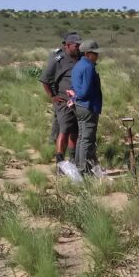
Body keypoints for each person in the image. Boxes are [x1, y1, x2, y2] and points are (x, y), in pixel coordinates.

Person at [39, 32, 82, 165]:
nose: (79, 47)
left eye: (80, 45)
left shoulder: (81, 58)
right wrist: (53, 96)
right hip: (63, 102)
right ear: (68, 46)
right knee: (64, 131)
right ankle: (60, 162)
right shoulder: (59, 60)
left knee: (75, 131)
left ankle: (73, 161)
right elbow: (45, 80)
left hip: (78, 102)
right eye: (76, 45)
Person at [70, 40, 103, 175]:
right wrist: (79, 96)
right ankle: (82, 170)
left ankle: (79, 167)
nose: (97, 56)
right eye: (95, 53)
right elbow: (85, 92)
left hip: (80, 106)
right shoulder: (88, 67)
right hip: (87, 106)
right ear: (88, 53)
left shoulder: (78, 65)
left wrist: (75, 97)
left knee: (82, 137)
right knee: (86, 139)